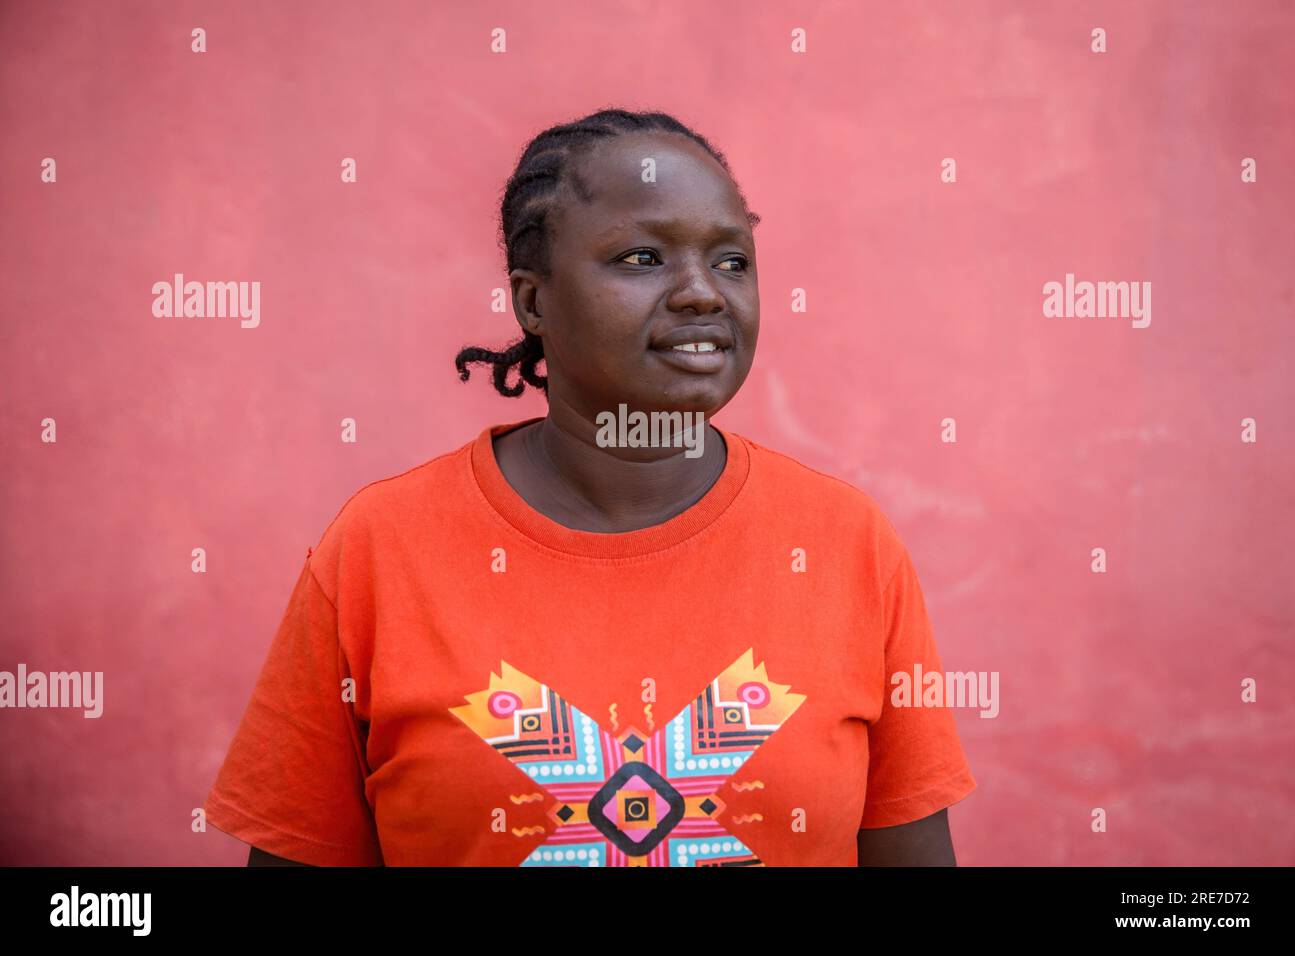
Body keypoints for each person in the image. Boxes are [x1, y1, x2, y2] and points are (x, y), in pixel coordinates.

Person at [205, 108, 976, 868]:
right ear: (532, 302)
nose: (703, 292)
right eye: (643, 258)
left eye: (732, 260)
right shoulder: (380, 548)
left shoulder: (843, 541)